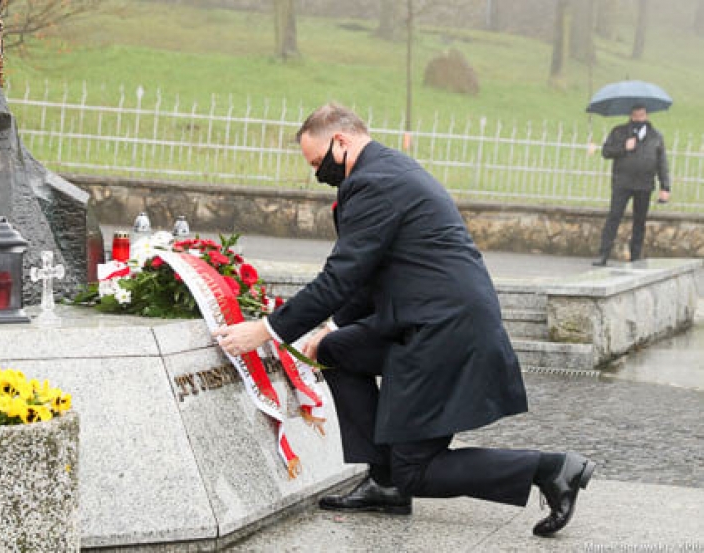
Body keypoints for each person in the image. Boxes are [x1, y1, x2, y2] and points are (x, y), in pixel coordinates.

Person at [213, 103, 595, 537]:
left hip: (444, 332)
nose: (318, 174)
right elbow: (365, 276)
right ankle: (383, 481)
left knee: (418, 470)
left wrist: (266, 330)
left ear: (342, 140)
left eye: (319, 162)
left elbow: (341, 276)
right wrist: (329, 329)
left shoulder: (376, 182)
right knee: (335, 350)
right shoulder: (385, 171)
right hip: (422, 319)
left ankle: (551, 468)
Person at [593, 105, 671, 266]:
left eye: (642, 112)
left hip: (644, 184)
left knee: (639, 221)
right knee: (614, 217)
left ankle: (635, 256)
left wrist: (665, 187)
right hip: (622, 182)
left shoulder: (655, 136)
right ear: (631, 114)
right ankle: (603, 254)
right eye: (636, 113)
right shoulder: (619, 132)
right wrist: (624, 147)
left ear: (646, 115)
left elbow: (662, 162)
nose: (639, 116)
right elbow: (606, 151)